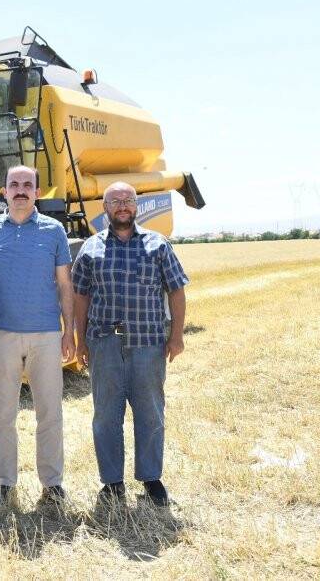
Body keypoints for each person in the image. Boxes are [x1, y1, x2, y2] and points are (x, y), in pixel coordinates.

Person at [71, 182, 188, 507]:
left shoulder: (158, 245)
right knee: (106, 416)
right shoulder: (91, 249)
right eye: (115, 201)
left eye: (128, 200)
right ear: (105, 208)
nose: (122, 206)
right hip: (104, 344)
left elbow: (176, 290)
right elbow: (81, 297)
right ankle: (112, 483)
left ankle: (151, 479)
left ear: (136, 207)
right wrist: (81, 341)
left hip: (148, 345)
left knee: (150, 414)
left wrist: (176, 335)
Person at [0, 165, 75, 507]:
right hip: (0, 333)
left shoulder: (54, 231)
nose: (20, 190)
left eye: (27, 185)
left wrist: (69, 332)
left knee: (50, 412)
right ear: (3, 191)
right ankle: (5, 483)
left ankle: (52, 484)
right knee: (2, 413)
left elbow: (65, 284)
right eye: (14, 184)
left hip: (46, 334)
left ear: (37, 192)